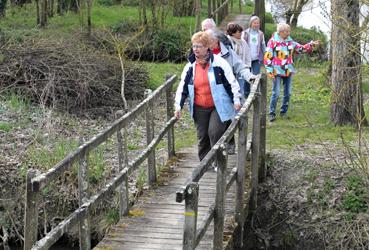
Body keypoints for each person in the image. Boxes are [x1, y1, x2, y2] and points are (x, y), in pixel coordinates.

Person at [174, 31, 242, 163]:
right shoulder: (190, 67)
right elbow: (182, 87)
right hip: (199, 107)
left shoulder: (218, 63)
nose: (195, 49)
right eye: (194, 46)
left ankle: (218, 161)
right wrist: (178, 106)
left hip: (218, 106)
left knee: (215, 132)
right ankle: (205, 164)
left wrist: (236, 99)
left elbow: (231, 82)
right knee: (203, 137)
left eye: (199, 46)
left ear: (207, 47)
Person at [206, 28, 256, 154]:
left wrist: (249, 76)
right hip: (209, 94)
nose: (206, 44)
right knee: (212, 127)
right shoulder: (203, 54)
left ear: (216, 41)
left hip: (226, 91)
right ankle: (213, 152)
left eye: (209, 41)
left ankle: (228, 145)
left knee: (227, 119)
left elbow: (240, 66)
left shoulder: (227, 53)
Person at [264, 23, 320, 122]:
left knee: (288, 93)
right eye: (287, 31)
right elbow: (267, 56)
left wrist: (311, 44)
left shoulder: (290, 41)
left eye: (289, 31)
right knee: (276, 93)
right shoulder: (273, 42)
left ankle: (283, 112)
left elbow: (301, 49)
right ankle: (272, 113)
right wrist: (269, 71)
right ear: (281, 32)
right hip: (276, 71)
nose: (289, 33)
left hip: (288, 70)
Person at [226, 22, 251, 97]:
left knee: (240, 89)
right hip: (230, 70)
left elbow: (247, 54)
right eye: (239, 32)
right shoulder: (227, 41)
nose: (241, 33)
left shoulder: (243, 42)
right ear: (233, 33)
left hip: (241, 69)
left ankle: (241, 107)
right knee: (231, 90)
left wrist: (248, 66)